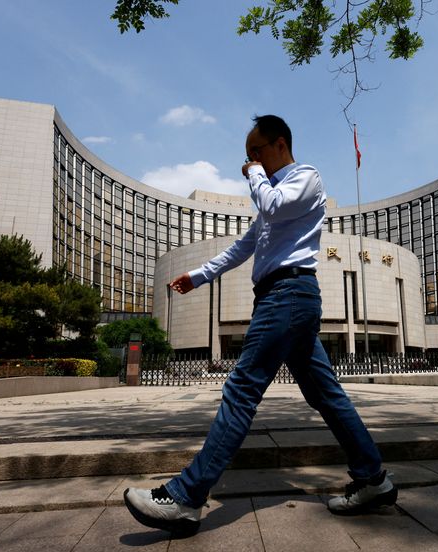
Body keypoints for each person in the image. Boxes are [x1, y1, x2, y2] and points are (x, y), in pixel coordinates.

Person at [124, 115, 396, 536]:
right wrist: (198, 276)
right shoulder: (272, 195)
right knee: (327, 395)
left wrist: (253, 175)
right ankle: (374, 480)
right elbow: (243, 247)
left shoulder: (305, 178)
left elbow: (271, 204)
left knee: (241, 389)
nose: (250, 161)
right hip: (283, 298)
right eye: (248, 156)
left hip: (288, 294)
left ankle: (184, 497)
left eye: (256, 152)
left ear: (280, 145)